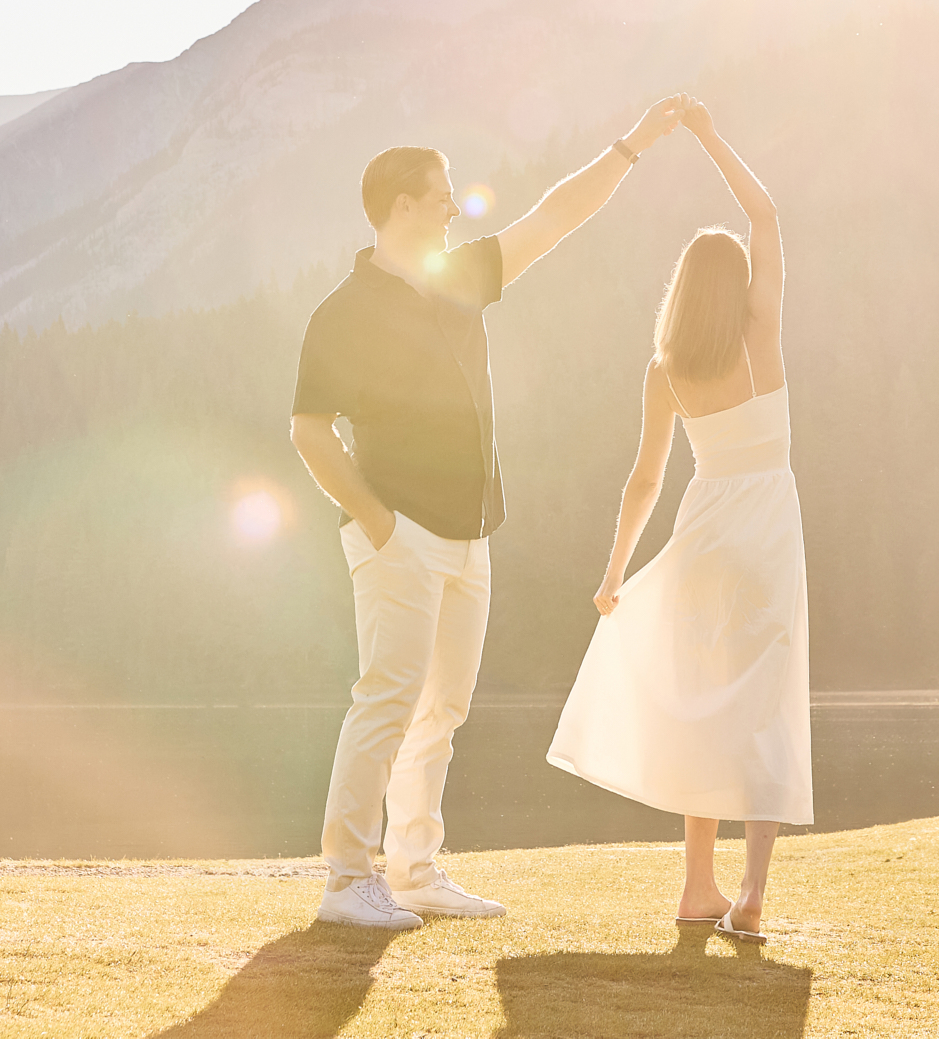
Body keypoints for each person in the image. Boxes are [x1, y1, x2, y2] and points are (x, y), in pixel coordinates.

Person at [290, 96, 689, 930]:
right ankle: (345, 880)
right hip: (397, 535)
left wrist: (633, 144)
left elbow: (556, 217)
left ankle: (414, 869)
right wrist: (378, 523)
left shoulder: (459, 276)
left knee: (442, 709)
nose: (452, 208)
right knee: (387, 700)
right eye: (440, 195)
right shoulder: (343, 312)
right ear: (400, 204)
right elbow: (309, 430)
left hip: (470, 536)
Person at [547, 96, 809, 944]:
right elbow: (765, 213)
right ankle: (751, 891)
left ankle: (697, 887)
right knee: (763, 709)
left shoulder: (667, 368)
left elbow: (645, 479)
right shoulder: (760, 337)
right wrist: (706, 133)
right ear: (737, 287)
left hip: (703, 533)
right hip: (766, 528)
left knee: (699, 703)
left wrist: (615, 572)